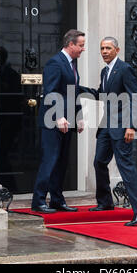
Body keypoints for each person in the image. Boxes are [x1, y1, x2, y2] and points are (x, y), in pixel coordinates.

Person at [79, 36, 137, 226]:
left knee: (125, 166)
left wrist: (132, 126)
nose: (104, 51)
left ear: (117, 50)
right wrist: (79, 89)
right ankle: (105, 202)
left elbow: (135, 97)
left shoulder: (125, 69)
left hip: (122, 127)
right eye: (102, 48)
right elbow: (101, 94)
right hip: (106, 126)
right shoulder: (105, 71)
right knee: (99, 162)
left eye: (108, 48)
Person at [31, 29, 85, 214]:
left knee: (62, 162)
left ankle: (57, 200)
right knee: (50, 161)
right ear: (70, 45)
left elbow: (73, 92)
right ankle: (38, 201)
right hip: (52, 122)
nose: (82, 49)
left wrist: (78, 117)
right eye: (81, 45)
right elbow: (51, 92)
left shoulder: (72, 63)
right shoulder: (56, 63)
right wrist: (58, 116)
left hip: (68, 121)